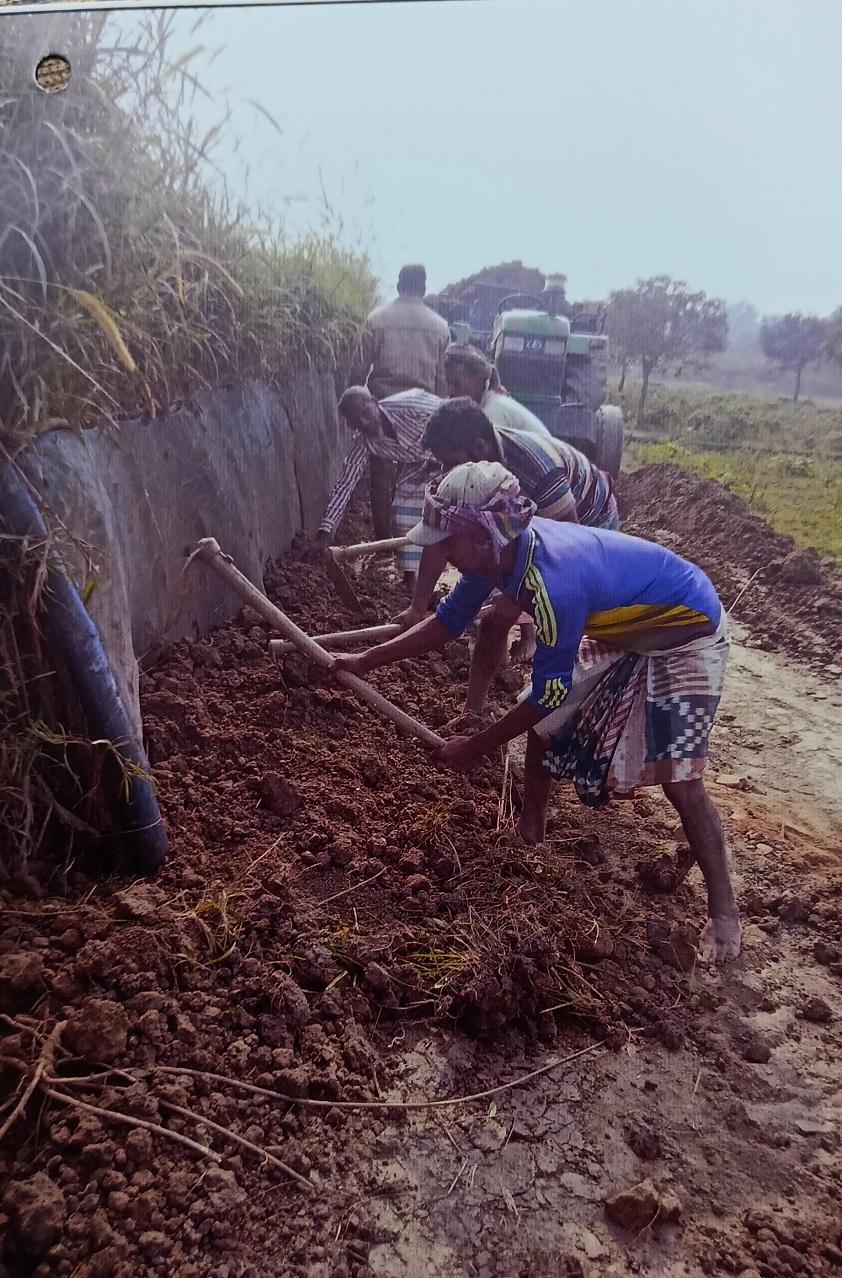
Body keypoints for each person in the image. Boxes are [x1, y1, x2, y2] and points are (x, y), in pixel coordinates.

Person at [333, 461, 740, 965]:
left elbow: (549, 692)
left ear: (484, 537)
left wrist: (476, 746)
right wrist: (363, 661)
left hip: (685, 627)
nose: (441, 553)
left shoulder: (553, 581)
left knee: (679, 779)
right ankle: (531, 832)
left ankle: (725, 914)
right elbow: (447, 623)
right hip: (628, 626)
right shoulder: (498, 557)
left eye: (447, 542)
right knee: (544, 726)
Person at [395, 397, 620, 706]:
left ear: (479, 448)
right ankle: (473, 715)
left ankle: (566, 697)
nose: (445, 471)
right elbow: (440, 531)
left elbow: (572, 544)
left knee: (557, 617)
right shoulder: (469, 476)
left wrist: (515, 598)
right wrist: (417, 607)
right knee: (494, 618)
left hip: (586, 519)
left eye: (449, 463)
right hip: (523, 526)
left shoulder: (535, 470)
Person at [351, 265, 450, 539]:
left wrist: (356, 414)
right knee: (416, 481)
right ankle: (412, 539)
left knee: (381, 479)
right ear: (424, 289)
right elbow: (442, 382)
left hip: (380, 414)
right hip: (423, 416)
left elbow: (358, 373)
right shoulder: (440, 327)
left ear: (398, 286)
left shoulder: (376, 319)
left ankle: (383, 540)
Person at [315, 385, 441, 585]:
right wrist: (325, 532)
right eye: (358, 421)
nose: (365, 422)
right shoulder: (364, 442)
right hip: (421, 464)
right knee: (401, 514)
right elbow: (345, 484)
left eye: (366, 412)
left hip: (453, 452)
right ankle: (411, 579)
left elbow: (451, 414)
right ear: (352, 425)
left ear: (374, 401)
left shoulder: (409, 404)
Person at [443, 342, 552, 438]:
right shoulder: (489, 404)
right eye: (448, 383)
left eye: (457, 384)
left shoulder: (494, 411)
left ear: (479, 380)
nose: (449, 391)